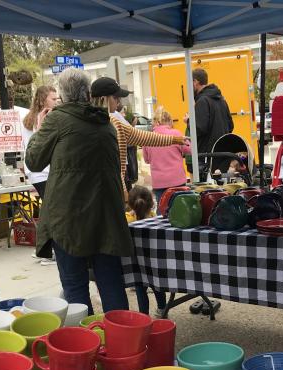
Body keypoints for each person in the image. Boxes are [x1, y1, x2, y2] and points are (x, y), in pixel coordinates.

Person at [25, 68, 130, 314]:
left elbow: (34, 161)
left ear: (62, 94)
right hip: (106, 217)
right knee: (111, 283)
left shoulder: (57, 120)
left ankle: (87, 345)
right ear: (86, 93)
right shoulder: (105, 122)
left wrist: (39, 130)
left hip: (69, 217)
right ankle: (123, 342)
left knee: (75, 287)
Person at [90, 77, 186, 196]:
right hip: (97, 188)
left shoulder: (115, 122)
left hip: (113, 185)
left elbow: (143, 137)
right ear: (103, 99)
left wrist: (175, 140)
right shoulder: (91, 125)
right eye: (115, 97)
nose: (118, 101)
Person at [22, 85, 59, 265]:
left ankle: (43, 249)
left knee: (48, 209)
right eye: (53, 98)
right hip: (43, 170)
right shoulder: (44, 119)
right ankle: (47, 250)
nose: (57, 101)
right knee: (51, 210)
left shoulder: (28, 119)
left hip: (35, 172)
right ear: (43, 100)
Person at [184, 68, 234, 174]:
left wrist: (189, 121)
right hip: (222, 154)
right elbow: (230, 126)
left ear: (195, 82)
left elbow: (199, 128)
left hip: (207, 158)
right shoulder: (222, 100)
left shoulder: (202, 101)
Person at [127, 186, 167, 317]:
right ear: (151, 203)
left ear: (131, 203)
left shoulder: (127, 219)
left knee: (140, 288)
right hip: (154, 262)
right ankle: (162, 310)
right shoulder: (154, 219)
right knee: (158, 287)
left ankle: (143, 316)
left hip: (136, 263)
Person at [142, 107, 190, 212]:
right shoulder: (176, 134)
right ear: (169, 120)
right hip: (177, 181)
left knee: (162, 213)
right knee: (181, 211)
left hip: (159, 182)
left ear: (155, 121)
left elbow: (146, 160)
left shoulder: (148, 137)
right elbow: (189, 149)